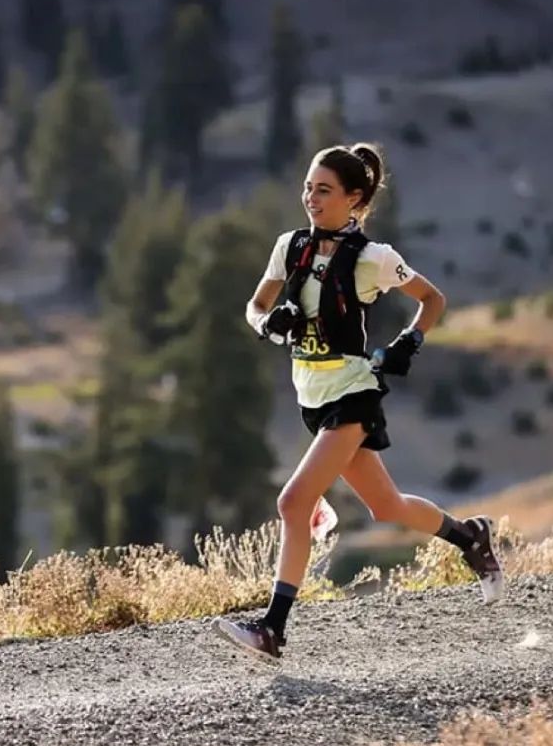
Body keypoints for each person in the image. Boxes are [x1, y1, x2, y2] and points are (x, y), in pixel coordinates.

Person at [212, 143, 504, 663]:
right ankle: (470, 536)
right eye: (307, 186)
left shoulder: (374, 259)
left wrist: (408, 342)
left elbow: (432, 299)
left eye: (323, 190)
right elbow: (255, 306)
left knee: (292, 503)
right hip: (311, 394)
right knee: (385, 506)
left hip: (353, 391)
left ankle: (272, 630)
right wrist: (269, 325)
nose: (310, 198)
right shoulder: (290, 247)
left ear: (355, 198)